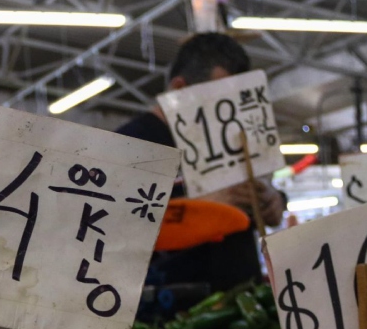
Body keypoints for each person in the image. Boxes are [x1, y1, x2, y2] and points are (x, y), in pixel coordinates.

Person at [115, 33, 285, 293]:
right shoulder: (130, 146)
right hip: (170, 316)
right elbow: (115, 232)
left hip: (245, 306)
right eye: (217, 99)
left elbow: (261, 203)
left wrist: (272, 202)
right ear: (180, 89)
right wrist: (204, 209)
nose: (228, 112)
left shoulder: (233, 138)